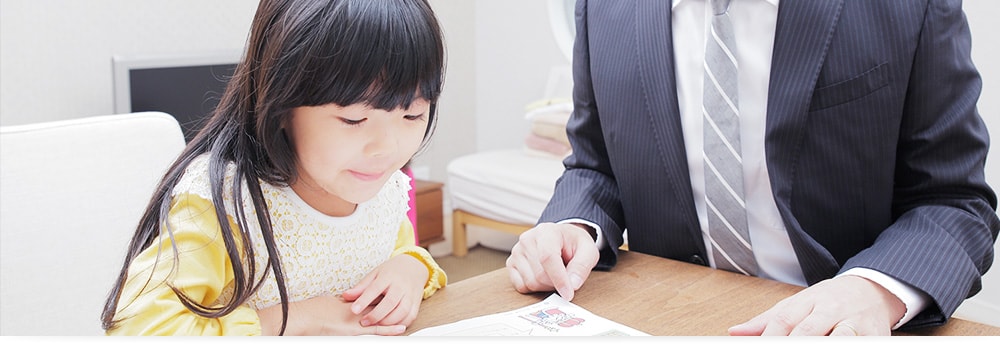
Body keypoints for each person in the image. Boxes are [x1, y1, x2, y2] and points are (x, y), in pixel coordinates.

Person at [506, 0, 998, 336]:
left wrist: (874, 290)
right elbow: (595, 163)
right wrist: (571, 225)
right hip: (666, 317)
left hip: (836, 326)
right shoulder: (601, 9)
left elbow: (954, 202)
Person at [100, 0, 447, 336]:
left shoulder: (378, 187)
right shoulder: (223, 204)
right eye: (354, 119)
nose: (386, 149)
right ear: (283, 107)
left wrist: (413, 268)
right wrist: (300, 318)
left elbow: (399, 251)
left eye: (412, 115)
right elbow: (137, 329)